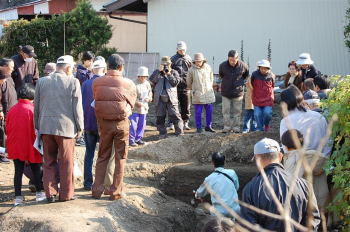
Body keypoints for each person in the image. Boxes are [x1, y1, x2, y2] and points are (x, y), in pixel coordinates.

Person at [241, 138, 320, 231]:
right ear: (280, 156)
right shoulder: (303, 184)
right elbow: (312, 220)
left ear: (257, 159)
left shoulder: (251, 188)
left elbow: (248, 225)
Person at [34, 55, 84, 203]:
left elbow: (36, 106)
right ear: (68, 68)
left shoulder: (42, 81)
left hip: (46, 127)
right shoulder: (73, 82)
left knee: (48, 161)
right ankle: (67, 194)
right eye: (73, 68)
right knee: (66, 162)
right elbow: (77, 107)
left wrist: (37, 126)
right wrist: (80, 127)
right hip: (66, 128)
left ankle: (50, 193)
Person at [91, 54, 136, 200]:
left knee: (102, 156)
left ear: (107, 66)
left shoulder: (96, 82)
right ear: (121, 67)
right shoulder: (128, 83)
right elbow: (132, 104)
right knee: (120, 158)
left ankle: (97, 190)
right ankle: (116, 192)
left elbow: (96, 98)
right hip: (121, 124)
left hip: (104, 124)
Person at [6, 84, 46, 206]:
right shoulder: (33, 109)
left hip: (16, 145)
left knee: (17, 171)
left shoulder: (12, 109)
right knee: (36, 169)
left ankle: (17, 197)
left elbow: (7, 128)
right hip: (31, 144)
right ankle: (39, 193)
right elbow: (38, 128)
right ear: (32, 96)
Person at [281, 129, 329, 212]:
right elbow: (329, 166)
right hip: (319, 200)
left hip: (299, 203)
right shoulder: (314, 155)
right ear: (302, 139)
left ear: (285, 146)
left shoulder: (285, 160)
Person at [280, 85, 331, 156]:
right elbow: (328, 142)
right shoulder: (319, 116)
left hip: (298, 162)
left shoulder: (285, 121)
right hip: (321, 159)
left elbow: (285, 146)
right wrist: (325, 158)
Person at [81, 59, 106, 190]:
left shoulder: (85, 84)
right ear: (104, 69)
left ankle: (87, 183)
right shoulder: (106, 84)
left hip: (88, 124)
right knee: (103, 155)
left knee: (89, 154)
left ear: (93, 69)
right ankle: (100, 183)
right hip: (103, 125)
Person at [195, 153, 240, 219]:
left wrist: (196, 195)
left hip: (219, 212)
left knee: (201, 209)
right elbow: (237, 187)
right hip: (235, 210)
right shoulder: (232, 173)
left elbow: (199, 193)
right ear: (224, 161)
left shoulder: (209, 178)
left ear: (212, 163)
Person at [149, 56, 184, 139]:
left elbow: (175, 83)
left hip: (171, 98)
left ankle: (179, 132)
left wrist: (169, 74)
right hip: (159, 98)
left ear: (170, 64)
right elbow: (153, 81)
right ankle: (162, 133)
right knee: (160, 116)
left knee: (175, 115)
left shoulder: (174, 72)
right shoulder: (156, 72)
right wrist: (159, 72)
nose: (165, 66)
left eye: (167, 64)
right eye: (163, 64)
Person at [219, 50, 249, 133]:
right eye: (230, 59)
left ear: (237, 58)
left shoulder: (243, 66)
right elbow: (221, 75)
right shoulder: (222, 65)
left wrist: (240, 83)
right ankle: (227, 127)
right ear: (228, 58)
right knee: (225, 111)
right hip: (226, 92)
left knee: (237, 111)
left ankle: (236, 127)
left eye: (234, 59)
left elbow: (245, 75)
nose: (232, 61)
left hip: (238, 92)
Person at [187, 53, 215, 133]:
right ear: (194, 61)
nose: (198, 62)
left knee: (209, 111)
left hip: (208, 93)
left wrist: (209, 86)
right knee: (198, 112)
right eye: (196, 61)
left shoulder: (208, 67)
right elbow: (189, 82)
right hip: (198, 94)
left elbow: (211, 78)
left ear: (203, 60)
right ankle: (199, 127)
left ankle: (208, 126)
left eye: (199, 61)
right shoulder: (191, 70)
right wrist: (194, 90)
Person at [171, 41, 192, 130]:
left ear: (185, 49)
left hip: (186, 86)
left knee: (186, 105)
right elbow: (170, 71)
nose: (182, 51)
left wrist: (191, 84)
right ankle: (172, 123)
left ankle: (185, 122)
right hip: (174, 86)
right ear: (177, 49)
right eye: (180, 50)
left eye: (183, 49)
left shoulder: (189, 58)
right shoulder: (173, 59)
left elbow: (191, 72)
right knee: (173, 105)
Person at [129, 66, 152, 147]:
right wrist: (135, 102)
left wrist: (149, 98)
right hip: (135, 107)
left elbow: (150, 93)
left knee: (142, 124)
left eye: (145, 76)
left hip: (144, 107)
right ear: (138, 76)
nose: (143, 78)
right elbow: (130, 95)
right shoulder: (133, 83)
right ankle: (131, 140)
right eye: (142, 76)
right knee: (133, 124)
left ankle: (138, 139)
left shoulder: (147, 83)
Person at [251, 60, 275, 132]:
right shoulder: (254, 75)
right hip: (257, 98)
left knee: (267, 113)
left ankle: (266, 124)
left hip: (268, 99)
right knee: (257, 114)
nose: (263, 70)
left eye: (265, 68)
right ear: (259, 68)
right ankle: (260, 129)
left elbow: (272, 86)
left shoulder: (271, 76)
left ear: (268, 68)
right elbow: (252, 84)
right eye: (262, 68)